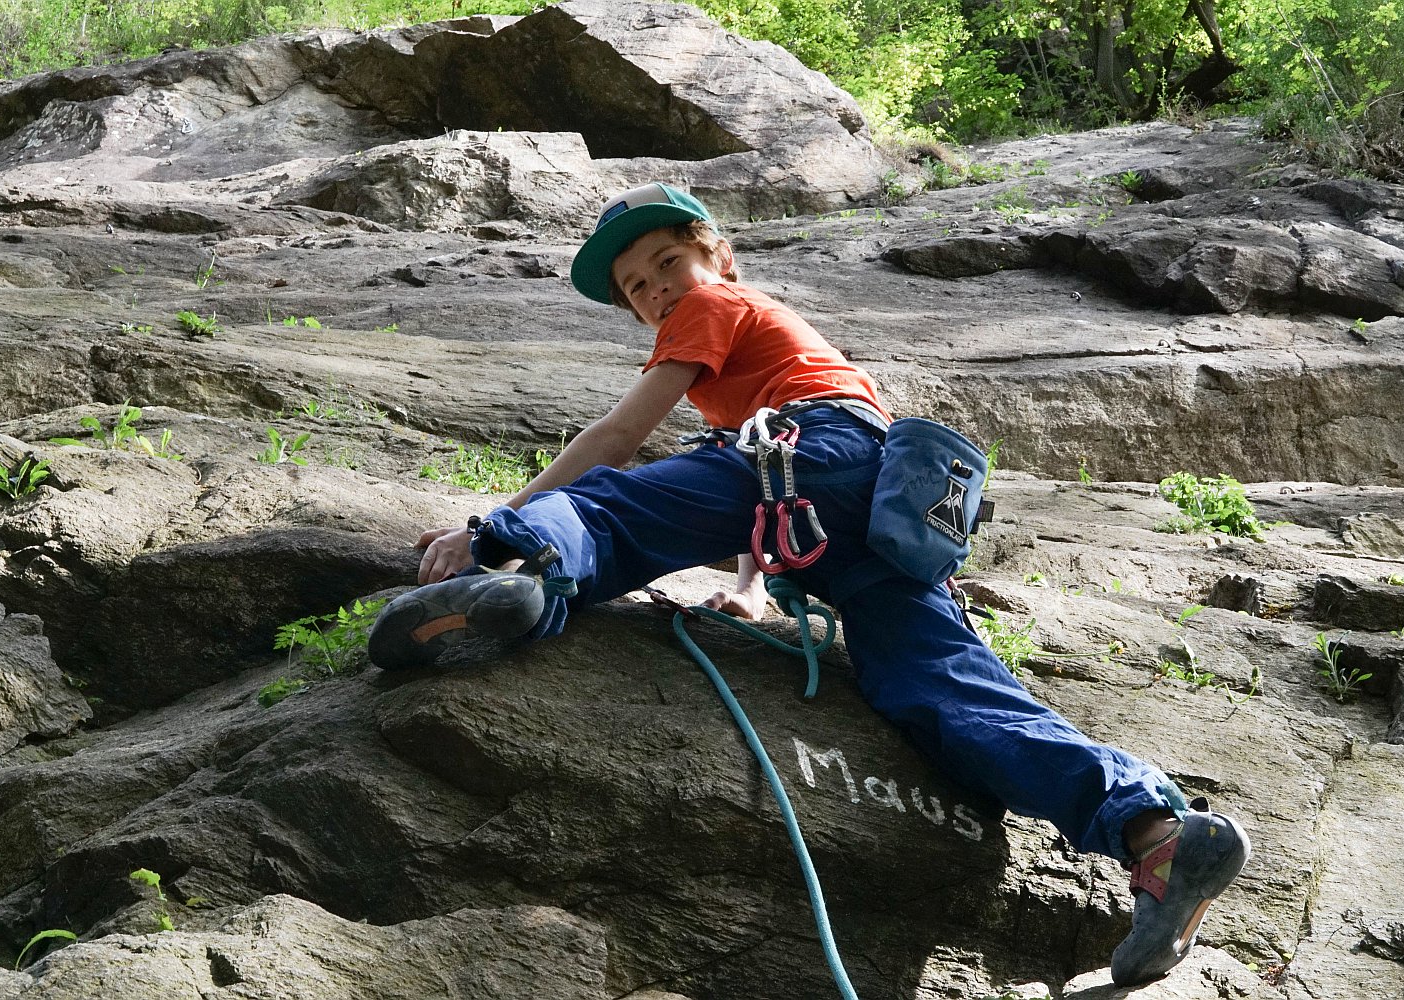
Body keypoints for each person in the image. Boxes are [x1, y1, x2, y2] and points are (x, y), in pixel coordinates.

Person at [369, 182, 1251, 986]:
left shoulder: (713, 305)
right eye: (637, 287)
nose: (657, 291)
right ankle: (1155, 836)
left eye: (667, 263)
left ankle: (533, 578)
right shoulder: (774, 343)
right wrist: (753, 589)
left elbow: (620, 440)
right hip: (867, 497)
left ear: (719, 258)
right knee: (938, 685)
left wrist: (487, 527)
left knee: (613, 510)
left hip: (810, 453)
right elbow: (771, 493)